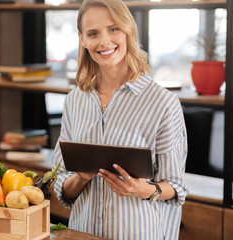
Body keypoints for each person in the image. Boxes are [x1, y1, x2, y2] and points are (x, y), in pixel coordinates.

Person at [51, 0, 188, 239]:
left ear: (128, 30)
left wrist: (142, 189)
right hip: (82, 234)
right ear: (83, 39)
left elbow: (176, 188)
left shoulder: (163, 103)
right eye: (93, 33)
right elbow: (60, 182)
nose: (104, 42)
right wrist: (79, 178)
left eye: (113, 29)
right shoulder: (75, 100)